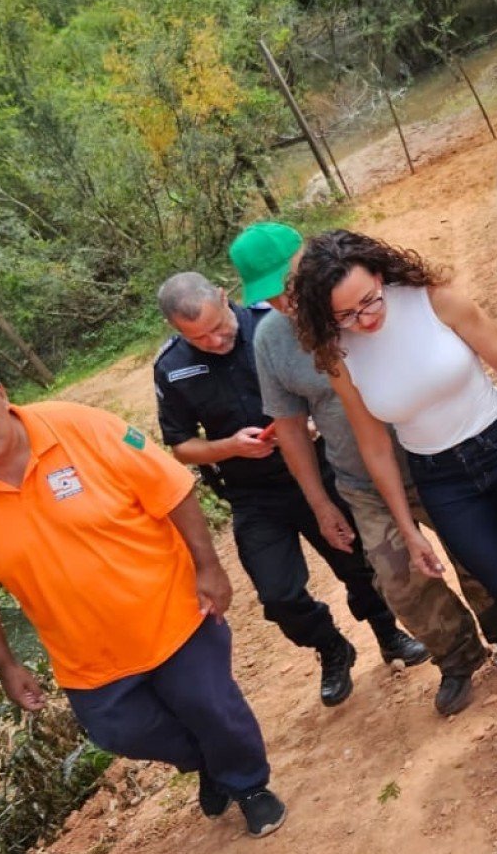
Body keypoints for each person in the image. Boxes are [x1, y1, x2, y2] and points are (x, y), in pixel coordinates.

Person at [0, 356, 285, 838]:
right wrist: (5, 665)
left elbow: (171, 489)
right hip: (85, 651)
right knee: (120, 733)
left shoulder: (82, 427)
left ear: (2, 395)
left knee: (210, 705)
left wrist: (208, 566)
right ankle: (211, 762)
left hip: (172, 609)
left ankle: (250, 786)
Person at [286, 230, 497, 739]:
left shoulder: (431, 299)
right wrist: (408, 527)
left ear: (379, 275)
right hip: (441, 477)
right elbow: (375, 445)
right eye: (347, 315)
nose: (366, 319)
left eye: (370, 301)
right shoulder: (338, 355)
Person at [228, 222, 497, 719]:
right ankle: (456, 656)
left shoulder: (368, 303)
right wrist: (321, 504)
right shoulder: (271, 341)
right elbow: (287, 430)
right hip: (360, 480)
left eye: (286, 288)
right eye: (271, 298)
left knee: (473, 552)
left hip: (429, 455)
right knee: (399, 579)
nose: (284, 304)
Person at [153, 272, 429, 710]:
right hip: (252, 494)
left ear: (225, 298)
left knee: (357, 564)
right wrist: (230, 447)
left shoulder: (275, 328)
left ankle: (387, 633)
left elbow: (329, 387)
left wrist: (309, 424)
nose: (214, 340)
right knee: (278, 594)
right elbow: (181, 446)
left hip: (319, 469)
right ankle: (331, 646)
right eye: (198, 337)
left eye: (218, 326)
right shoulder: (172, 368)